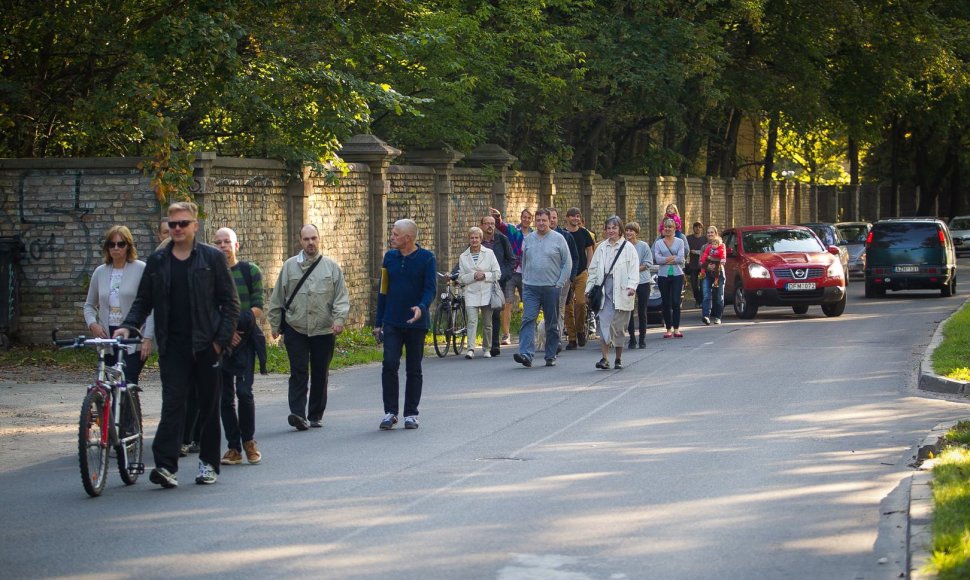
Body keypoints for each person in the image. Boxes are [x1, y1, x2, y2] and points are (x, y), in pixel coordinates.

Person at [115, 201, 240, 488]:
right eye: (173, 224)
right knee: (173, 404)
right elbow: (144, 301)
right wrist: (128, 325)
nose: (177, 229)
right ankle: (165, 466)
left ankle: (208, 464)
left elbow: (230, 304)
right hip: (173, 348)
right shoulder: (158, 261)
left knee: (208, 407)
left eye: (183, 223)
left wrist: (219, 343)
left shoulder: (211, 258)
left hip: (206, 346)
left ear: (195, 226)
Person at [268, 224, 350, 431]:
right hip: (296, 327)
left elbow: (341, 297)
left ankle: (315, 414)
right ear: (300, 241)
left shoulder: (331, 267)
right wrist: (275, 324)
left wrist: (339, 320)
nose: (310, 243)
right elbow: (278, 296)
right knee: (298, 370)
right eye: (306, 239)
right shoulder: (289, 266)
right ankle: (297, 413)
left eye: (313, 238)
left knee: (320, 372)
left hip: (324, 329)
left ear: (319, 239)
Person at [373, 219, 436, 430]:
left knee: (414, 368)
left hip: (416, 323)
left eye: (395, 234)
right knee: (389, 364)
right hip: (392, 320)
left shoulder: (427, 258)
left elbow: (430, 289)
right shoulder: (389, 257)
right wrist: (378, 322)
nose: (391, 237)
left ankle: (411, 413)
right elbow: (383, 290)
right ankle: (390, 412)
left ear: (407, 238)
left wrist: (421, 306)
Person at [213, 227, 265, 465]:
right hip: (220, 343)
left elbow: (258, 308)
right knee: (224, 397)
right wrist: (225, 332)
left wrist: (234, 326)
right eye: (218, 242)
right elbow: (208, 310)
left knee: (244, 393)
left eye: (227, 242)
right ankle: (233, 447)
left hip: (246, 342)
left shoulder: (250, 271)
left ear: (236, 245)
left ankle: (249, 441)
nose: (223, 246)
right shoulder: (209, 274)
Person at [83, 225, 154, 385]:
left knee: (126, 381)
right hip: (107, 337)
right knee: (110, 384)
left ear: (128, 246)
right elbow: (89, 305)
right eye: (112, 244)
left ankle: (128, 409)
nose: (116, 248)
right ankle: (112, 410)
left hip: (134, 336)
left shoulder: (141, 269)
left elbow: (151, 306)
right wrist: (92, 324)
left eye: (121, 244)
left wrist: (148, 338)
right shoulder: (100, 272)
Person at [513, 208, 572, 368]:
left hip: (551, 287)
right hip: (531, 287)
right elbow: (525, 260)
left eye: (544, 220)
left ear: (549, 221)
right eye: (538, 220)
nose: (541, 223)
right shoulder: (530, 239)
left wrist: (560, 282)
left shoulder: (559, 239)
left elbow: (567, 263)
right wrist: (525, 279)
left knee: (551, 323)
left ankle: (551, 354)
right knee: (528, 319)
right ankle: (526, 354)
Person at [586, 216, 639, 370]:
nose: (611, 231)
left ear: (620, 229)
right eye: (608, 228)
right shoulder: (601, 247)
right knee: (604, 325)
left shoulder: (628, 248)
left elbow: (633, 270)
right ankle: (604, 358)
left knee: (618, 328)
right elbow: (593, 270)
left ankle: (618, 358)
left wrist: (632, 286)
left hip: (622, 290)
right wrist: (589, 289)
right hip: (604, 290)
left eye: (614, 228)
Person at [456, 227, 501, 359]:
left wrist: (485, 275)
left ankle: (487, 348)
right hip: (471, 292)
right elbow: (461, 277)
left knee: (488, 323)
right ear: (468, 239)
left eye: (477, 238)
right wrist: (473, 276)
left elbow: (497, 273)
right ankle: (470, 348)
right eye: (472, 238)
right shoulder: (463, 256)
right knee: (471, 321)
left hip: (487, 292)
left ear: (481, 239)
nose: (474, 240)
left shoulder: (489, 253)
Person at [490, 207, 533, 345]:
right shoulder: (514, 230)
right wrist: (497, 218)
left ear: (531, 220)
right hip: (512, 272)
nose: (526, 220)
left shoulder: (535, 234)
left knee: (528, 303)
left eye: (529, 217)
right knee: (507, 303)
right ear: (521, 218)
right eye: (524, 217)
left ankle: (526, 332)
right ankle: (506, 334)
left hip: (527, 273)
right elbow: (502, 226)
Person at [480, 215, 514, 357]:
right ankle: (481, 343)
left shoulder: (502, 240)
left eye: (492, 223)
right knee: (481, 313)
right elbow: (465, 258)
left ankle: (494, 344)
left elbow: (511, 260)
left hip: (497, 282)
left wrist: (503, 275)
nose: (490, 226)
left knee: (495, 311)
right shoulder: (477, 240)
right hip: (480, 282)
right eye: (487, 223)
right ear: (481, 225)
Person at [548, 207, 580, 352]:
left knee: (559, 309)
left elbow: (575, 257)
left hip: (563, 279)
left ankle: (557, 340)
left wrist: (571, 276)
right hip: (544, 279)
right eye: (549, 218)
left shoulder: (566, 236)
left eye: (554, 217)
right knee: (548, 310)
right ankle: (548, 336)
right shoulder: (536, 237)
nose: (552, 220)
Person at [563, 207, 595, 349]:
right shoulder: (562, 234)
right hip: (566, 274)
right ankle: (572, 337)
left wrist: (589, 268)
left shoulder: (584, 233)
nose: (575, 219)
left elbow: (589, 249)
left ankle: (581, 329)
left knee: (580, 303)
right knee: (567, 306)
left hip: (581, 272)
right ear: (567, 218)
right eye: (573, 216)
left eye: (578, 216)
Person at [653, 218, 687, 339]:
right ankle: (668, 329)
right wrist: (671, 258)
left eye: (670, 227)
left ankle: (676, 329)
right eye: (665, 227)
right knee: (666, 302)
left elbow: (681, 258)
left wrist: (666, 259)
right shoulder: (658, 243)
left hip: (677, 275)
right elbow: (657, 259)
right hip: (663, 275)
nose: (667, 229)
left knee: (676, 302)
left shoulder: (680, 242)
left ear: (674, 229)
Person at [624, 222, 654, 349]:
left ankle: (642, 338)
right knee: (629, 310)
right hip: (628, 282)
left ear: (636, 233)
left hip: (642, 281)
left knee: (642, 311)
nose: (629, 233)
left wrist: (634, 270)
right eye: (627, 231)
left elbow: (648, 263)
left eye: (632, 231)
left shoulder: (643, 246)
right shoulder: (623, 246)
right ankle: (632, 338)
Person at [699, 225, 727, 326]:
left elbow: (722, 260)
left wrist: (711, 258)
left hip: (719, 273)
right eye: (708, 232)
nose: (710, 234)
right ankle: (706, 316)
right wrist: (707, 266)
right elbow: (700, 262)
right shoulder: (704, 247)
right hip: (706, 273)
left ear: (716, 234)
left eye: (712, 232)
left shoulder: (722, 245)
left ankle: (718, 317)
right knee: (706, 295)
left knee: (719, 296)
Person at [685, 221, 706, 305]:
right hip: (693, 265)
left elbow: (706, 251)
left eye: (699, 227)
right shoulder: (688, 238)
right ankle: (698, 300)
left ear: (701, 229)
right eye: (696, 226)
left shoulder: (705, 239)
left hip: (702, 266)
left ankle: (701, 301)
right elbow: (686, 250)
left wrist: (697, 252)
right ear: (693, 228)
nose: (697, 228)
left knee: (702, 285)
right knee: (694, 285)